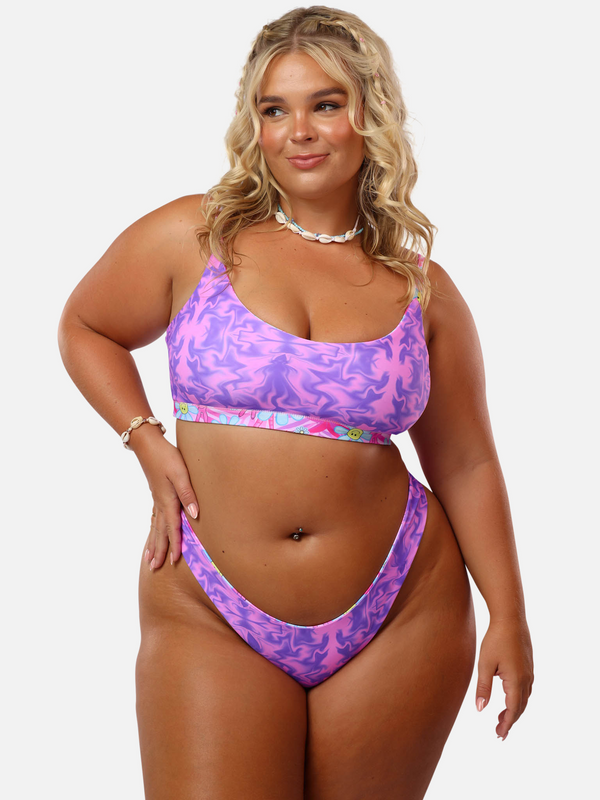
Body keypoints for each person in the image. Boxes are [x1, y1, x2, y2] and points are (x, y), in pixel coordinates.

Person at [58, 6, 534, 798]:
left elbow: (466, 461)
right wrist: (144, 438)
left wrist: (509, 615)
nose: (299, 131)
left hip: (402, 609)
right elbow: (86, 327)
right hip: (209, 604)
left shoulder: (424, 290)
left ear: (370, 115)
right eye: (274, 110)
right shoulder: (197, 236)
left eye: (326, 104)